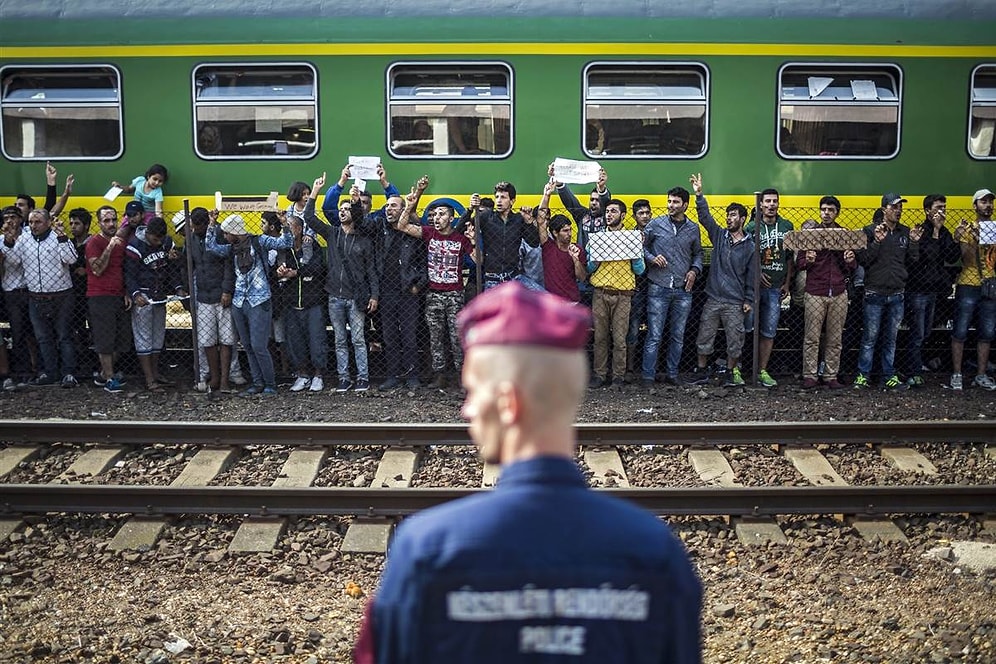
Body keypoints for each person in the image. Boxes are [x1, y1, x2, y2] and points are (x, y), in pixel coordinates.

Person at [354, 281, 702, 664]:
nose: (466, 410)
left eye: (472, 391)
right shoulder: (655, 552)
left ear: (507, 403)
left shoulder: (426, 551)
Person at [207, 211, 293, 396]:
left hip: (259, 299)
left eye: (226, 233)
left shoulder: (259, 242)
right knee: (247, 345)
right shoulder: (232, 249)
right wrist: (211, 225)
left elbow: (286, 243)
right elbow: (211, 246)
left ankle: (269, 384)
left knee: (258, 345)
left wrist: (284, 224)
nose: (225, 237)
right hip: (239, 301)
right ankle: (258, 383)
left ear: (234, 232)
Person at [394, 192, 474, 389]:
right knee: (435, 337)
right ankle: (439, 374)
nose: (437, 218)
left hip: (455, 294)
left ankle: (460, 374)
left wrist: (472, 241)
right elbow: (402, 226)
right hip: (434, 294)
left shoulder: (460, 238)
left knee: (457, 337)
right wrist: (409, 206)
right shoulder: (429, 233)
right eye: (435, 215)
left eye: (441, 214)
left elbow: (478, 261)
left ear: (451, 218)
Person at [309, 174, 380, 392]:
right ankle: (343, 377)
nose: (342, 211)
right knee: (340, 340)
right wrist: (315, 192)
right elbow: (309, 218)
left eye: (347, 209)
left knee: (358, 339)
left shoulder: (364, 240)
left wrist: (374, 295)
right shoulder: (332, 234)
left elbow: (371, 271)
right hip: (334, 296)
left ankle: (362, 378)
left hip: (355, 297)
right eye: (340, 209)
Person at [687, 174, 755, 387]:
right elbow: (705, 217)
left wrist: (749, 299)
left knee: (735, 339)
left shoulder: (750, 246)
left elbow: (752, 276)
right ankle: (702, 370)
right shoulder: (719, 235)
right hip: (714, 297)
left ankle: (731, 371)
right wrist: (699, 195)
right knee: (704, 335)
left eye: (733, 215)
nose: (728, 218)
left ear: (743, 219)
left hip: (735, 301)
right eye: (727, 215)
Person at [1, 207, 78, 387]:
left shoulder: (56, 237)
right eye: (32, 222)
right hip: (35, 296)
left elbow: (71, 259)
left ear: (48, 223)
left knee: (64, 335)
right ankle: (49, 373)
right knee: (43, 337)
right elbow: (14, 261)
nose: (34, 225)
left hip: (61, 295)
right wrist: (9, 241)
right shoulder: (25, 239)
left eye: (38, 222)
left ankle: (68, 373)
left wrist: (62, 238)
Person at [853, 193, 922, 389]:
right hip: (874, 291)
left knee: (891, 339)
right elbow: (864, 260)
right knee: (870, 337)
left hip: (897, 293)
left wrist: (915, 242)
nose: (898, 211)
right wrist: (876, 241)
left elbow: (912, 261)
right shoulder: (869, 231)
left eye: (900, 207)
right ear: (884, 210)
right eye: (894, 207)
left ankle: (887, 375)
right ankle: (863, 375)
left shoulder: (905, 232)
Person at [641, 186, 703, 386]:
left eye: (675, 202)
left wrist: (694, 270)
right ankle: (648, 376)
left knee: (678, 335)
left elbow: (698, 253)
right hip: (658, 287)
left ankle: (672, 374)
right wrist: (651, 258)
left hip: (683, 289)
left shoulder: (693, 228)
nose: (671, 205)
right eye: (669, 201)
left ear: (685, 205)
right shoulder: (655, 224)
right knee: (654, 335)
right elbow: (640, 245)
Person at [794, 196, 856, 390]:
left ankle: (831, 376)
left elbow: (853, 266)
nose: (826, 213)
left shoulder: (844, 235)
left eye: (830, 209)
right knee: (811, 337)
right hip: (815, 291)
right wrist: (808, 260)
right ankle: (810, 375)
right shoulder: (811, 234)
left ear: (837, 212)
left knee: (835, 338)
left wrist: (849, 259)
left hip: (838, 291)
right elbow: (800, 264)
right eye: (823, 209)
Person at [376, 179, 429, 391]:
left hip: (408, 292)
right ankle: (393, 376)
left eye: (393, 206)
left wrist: (419, 285)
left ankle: (412, 376)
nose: (389, 209)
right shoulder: (381, 230)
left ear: (402, 210)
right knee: (389, 337)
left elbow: (426, 261)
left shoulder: (413, 233)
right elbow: (360, 223)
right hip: (387, 292)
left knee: (409, 336)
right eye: (387, 206)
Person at [587, 199, 646, 387]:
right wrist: (593, 263)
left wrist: (636, 253)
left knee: (620, 339)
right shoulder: (597, 239)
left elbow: (639, 270)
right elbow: (589, 266)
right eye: (607, 211)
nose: (608, 214)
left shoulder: (631, 238)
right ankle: (600, 374)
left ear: (623, 215)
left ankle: (618, 376)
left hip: (623, 295)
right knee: (600, 337)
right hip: (600, 292)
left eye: (613, 211)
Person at [180, 207, 237, 394]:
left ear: (205, 223)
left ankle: (224, 381)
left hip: (221, 293)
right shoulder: (191, 240)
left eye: (197, 226)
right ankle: (215, 377)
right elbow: (187, 265)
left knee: (227, 339)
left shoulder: (220, 235)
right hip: (203, 294)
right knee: (207, 340)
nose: (194, 229)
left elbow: (229, 264)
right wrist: (186, 290)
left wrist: (227, 289)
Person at [905, 194, 959, 387]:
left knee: (926, 331)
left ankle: (915, 366)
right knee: (918, 332)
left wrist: (958, 239)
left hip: (934, 290)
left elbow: (951, 257)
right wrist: (936, 232)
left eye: (944, 207)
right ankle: (913, 371)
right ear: (928, 210)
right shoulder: (921, 231)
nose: (942, 211)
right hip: (918, 289)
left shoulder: (945, 232)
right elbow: (926, 257)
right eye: (938, 207)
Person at [124, 216, 182, 391]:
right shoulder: (134, 246)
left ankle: (155, 374)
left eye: (161, 239)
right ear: (147, 234)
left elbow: (172, 270)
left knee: (158, 337)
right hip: (143, 296)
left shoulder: (166, 243)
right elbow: (129, 274)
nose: (158, 243)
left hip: (159, 296)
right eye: (155, 239)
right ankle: (149, 379)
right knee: (144, 338)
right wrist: (135, 294)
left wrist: (178, 287)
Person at [744, 188, 794, 387]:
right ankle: (739, 368)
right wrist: (757, 273)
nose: (771, 205)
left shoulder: (786, 226)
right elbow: (745, 259)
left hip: (775, 287)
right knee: (746, 327)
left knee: (769, 330)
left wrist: (787, 283)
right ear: (761, 205)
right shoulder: (750, 227)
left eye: (774, 201)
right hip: (753, 289)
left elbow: (790, 258)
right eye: (767, 201)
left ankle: (762, 371)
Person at [275, 214, 328, 393]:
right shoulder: (283, 248)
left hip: (312, 302)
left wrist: (296, 273)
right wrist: (281, 270)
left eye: (290, 226)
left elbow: (317, 268)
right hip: (291, 303)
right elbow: (277, 267)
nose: (288, 230)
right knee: (295, 342)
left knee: (316, 341)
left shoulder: (310, 245)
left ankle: (318, 375)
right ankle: (302, 375)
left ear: (299, 229)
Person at [949, 188, 996, 391]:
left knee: (987, 332)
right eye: (983, 202)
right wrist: (973, 240)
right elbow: (966, 259)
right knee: (960, 330)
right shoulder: (967, 229)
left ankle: (981, 374)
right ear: (975, 206)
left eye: (990, 202)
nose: (988, 206)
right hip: (968, 284)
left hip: (990, 283)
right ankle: (957, 374)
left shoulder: (995, 228)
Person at [456, 181, 540, 291]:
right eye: (497, 197)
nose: (499, 201)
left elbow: (534, 243)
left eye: (503, 197)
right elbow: (459, 230)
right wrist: (470, 209)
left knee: (544, 297)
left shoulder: (518, 219)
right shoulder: (487, 217)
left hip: (514, 277)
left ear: (512, 201)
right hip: (492, 279)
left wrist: (529, 222)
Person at [85, 206, 131, 393]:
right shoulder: (94, 243)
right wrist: (110, 246)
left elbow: (123, 268)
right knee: (105, 340)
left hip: (118, 295)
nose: (111, 224)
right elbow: (97, 269)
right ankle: (109, 379)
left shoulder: (122, 242)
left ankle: (104, 374)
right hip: (100, 296)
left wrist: (126, 291)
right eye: (106, 220)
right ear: (99, 222)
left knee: (121, 340)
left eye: (113, 219)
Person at [0, 206, 37, 389]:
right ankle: (22, 371)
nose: (9, 221)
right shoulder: (0, 240)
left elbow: (22, 259)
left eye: (13, 217)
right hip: (11, 292)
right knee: (18, 332)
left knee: (36, 331)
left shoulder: (29, 235)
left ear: (20, 218)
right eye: (6, 218)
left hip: (31, 290)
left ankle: (38, 368)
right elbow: (12, 263)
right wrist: (8, 240)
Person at [536, 179, 586, 303]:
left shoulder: (577, 249)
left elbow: (583, 277)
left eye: (570, 230)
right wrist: (547, 195)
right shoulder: (548, 247)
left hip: (572, 301)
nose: (569, 234)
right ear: (555, 233)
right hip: (552, 303)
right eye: (565, 231)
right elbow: (541, 220)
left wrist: (575, 259)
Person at [625, 198, 653, 381]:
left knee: (656, 329)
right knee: (633, 328)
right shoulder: (628, 236)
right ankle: (630, 367)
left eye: (647, 213)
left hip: (657, 285)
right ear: (634, 216)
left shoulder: (658, 232)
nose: (645, 216)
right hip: (638, 286)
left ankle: (650, 368)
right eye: (641, 213)